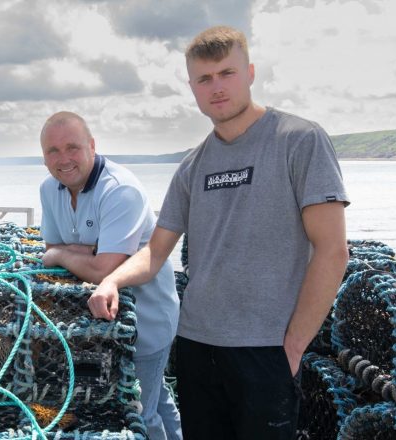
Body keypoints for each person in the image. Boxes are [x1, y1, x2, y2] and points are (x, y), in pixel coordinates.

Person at [89, 26, 350, 440]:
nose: (217, 87)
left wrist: (294, 346)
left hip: (267, 348)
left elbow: (333, 251)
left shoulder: (299, 140)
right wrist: (111, 280)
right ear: (192, 87)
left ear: (249, 72)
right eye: (204, 79)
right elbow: (156, 252)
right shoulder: (193, 166)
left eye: (226, 73)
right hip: (196, 345)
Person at [39, 111, 182, 440]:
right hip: (97, 320)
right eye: (53, 151)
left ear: (92, 145)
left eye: (72, 147)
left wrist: (63, 254)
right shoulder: (50, 188)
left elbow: (104, 268)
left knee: (139, 411)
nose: (64, 159)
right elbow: (52, 244)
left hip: (145, 321)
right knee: (156, 397)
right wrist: (87, 251)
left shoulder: (120, 190)